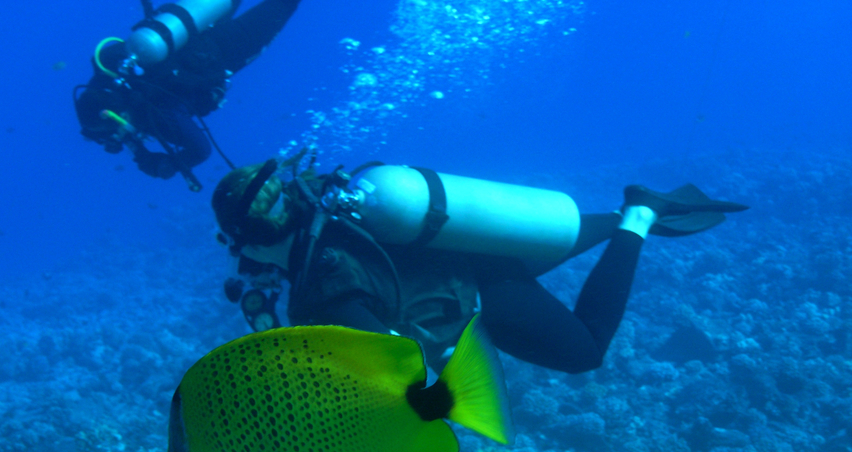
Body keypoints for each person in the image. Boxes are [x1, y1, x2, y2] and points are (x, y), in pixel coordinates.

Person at [211, 155, 749, 374]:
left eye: (233, 245)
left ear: (250, 241)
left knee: (584, 352)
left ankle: (638, 214)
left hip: (478, 290)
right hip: (480, 244)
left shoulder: (320, 286)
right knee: (553, 241)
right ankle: (624, 213)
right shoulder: (331, 210)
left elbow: (402, 367)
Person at [74, 0, 302, 190]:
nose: (121, 138)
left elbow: (201, 150)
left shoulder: (158, 116)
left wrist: (170, 164)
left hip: (226, 51)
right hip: (191, 24)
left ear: (119, 117)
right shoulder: (112, 76)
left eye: (114, 133)